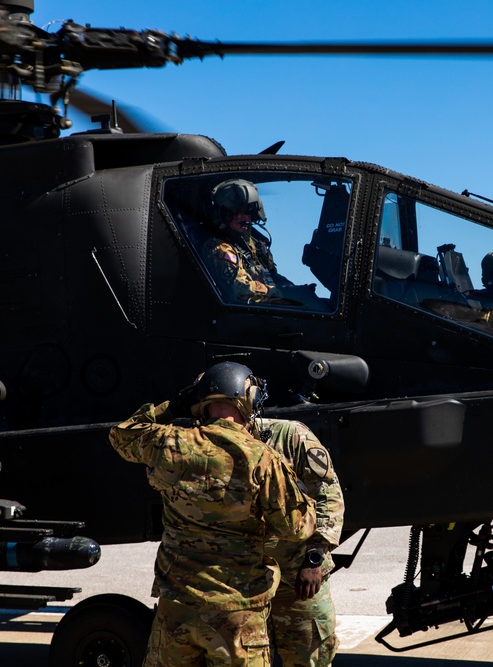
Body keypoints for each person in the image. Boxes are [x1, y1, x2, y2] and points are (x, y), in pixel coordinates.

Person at [108, 361, 316, 667]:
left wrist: (174, 405)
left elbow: (121, 435)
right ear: (246, 400)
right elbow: (297, 529)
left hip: (177, 608)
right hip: (236, 614)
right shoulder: (262, 459)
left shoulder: (171, 442)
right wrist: (300, 495)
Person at [259, 417, 344, 667]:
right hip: (243, 580)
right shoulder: (207, 440)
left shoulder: (289, 434)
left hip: (296, 577)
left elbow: (327, 494)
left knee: (309, 660)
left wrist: (314, 557)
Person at [203, 179, 293, 303]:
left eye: (245, 210)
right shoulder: (219, 248)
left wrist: (295, 290)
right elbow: (240, 288)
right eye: (233, 212)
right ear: (223, 215)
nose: (240, 216)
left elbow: (272, 277)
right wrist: (277, 293)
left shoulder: (258, 246)